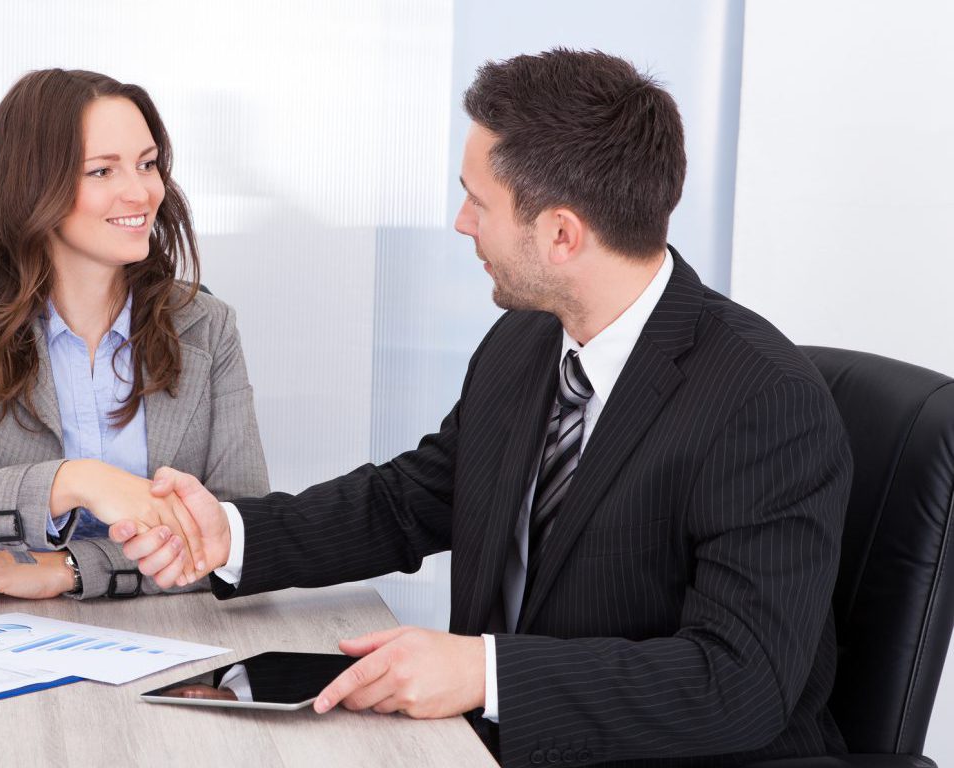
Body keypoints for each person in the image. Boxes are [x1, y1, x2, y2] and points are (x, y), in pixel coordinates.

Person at [113, 49, 852, 766]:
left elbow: (740, 684)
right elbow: (412, 500)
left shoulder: (763, 403)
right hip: (484, 745)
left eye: (477, 200)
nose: (462, 223)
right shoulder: (526, 341)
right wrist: (231, 535)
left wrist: (484, 674)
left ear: (561, 233)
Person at [0, 68, 269, 601]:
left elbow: (236, 530)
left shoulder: (207, 326)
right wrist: (72, 482)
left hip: (168, 639)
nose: (140, 192)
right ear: (34, 185)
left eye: (147, 164)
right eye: (103, 171)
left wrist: (73, 566)